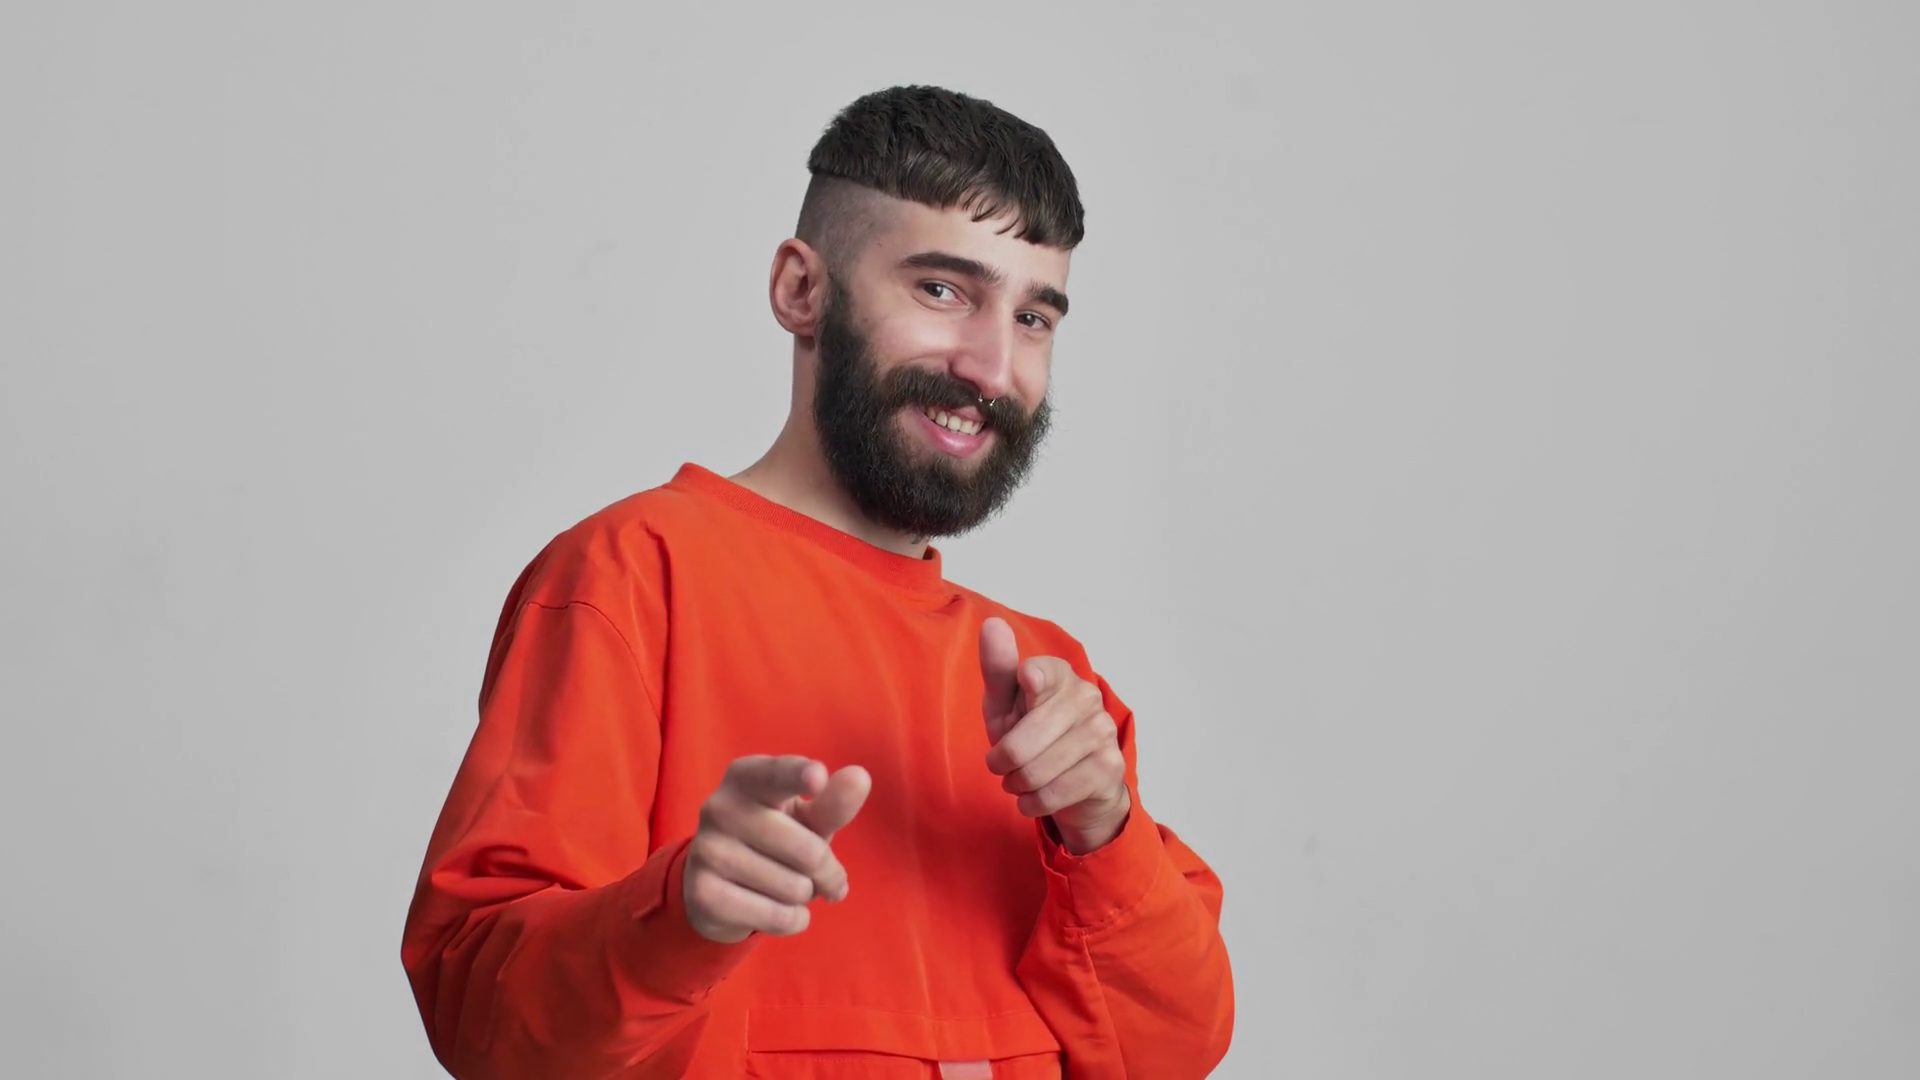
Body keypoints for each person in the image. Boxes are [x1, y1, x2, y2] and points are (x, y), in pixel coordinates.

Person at [399, 84, 1235, 1080]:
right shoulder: (634, 575)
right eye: (942, 290)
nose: (991, 365)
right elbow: (484, 1021)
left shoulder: (1051, 680)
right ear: (802, 289)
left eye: (1033, 316)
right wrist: (678, 913)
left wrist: (1104, 833)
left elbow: (1173, 1050)